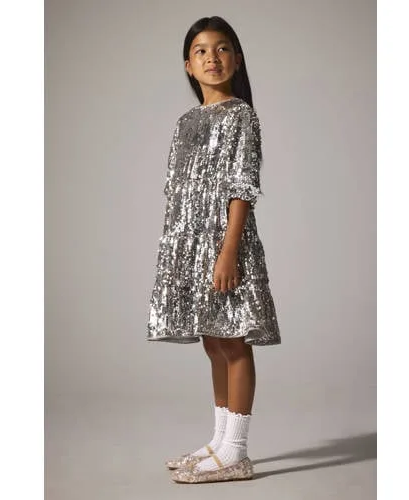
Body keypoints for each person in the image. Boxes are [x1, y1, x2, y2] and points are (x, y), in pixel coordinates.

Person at [146, 16, 281, 483]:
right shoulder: (186, 121)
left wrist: (228, 251)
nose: (212, 58)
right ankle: (220, 441)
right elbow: (178, 190)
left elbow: (243, 186)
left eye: (222, 49)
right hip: (190, 245)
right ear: (188, 64)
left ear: (236, 59)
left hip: (226, 244)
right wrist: (177, 253)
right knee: (213, 341)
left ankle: (237, 452)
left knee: (234, 340)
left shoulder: (241, 115)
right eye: (201, 51)